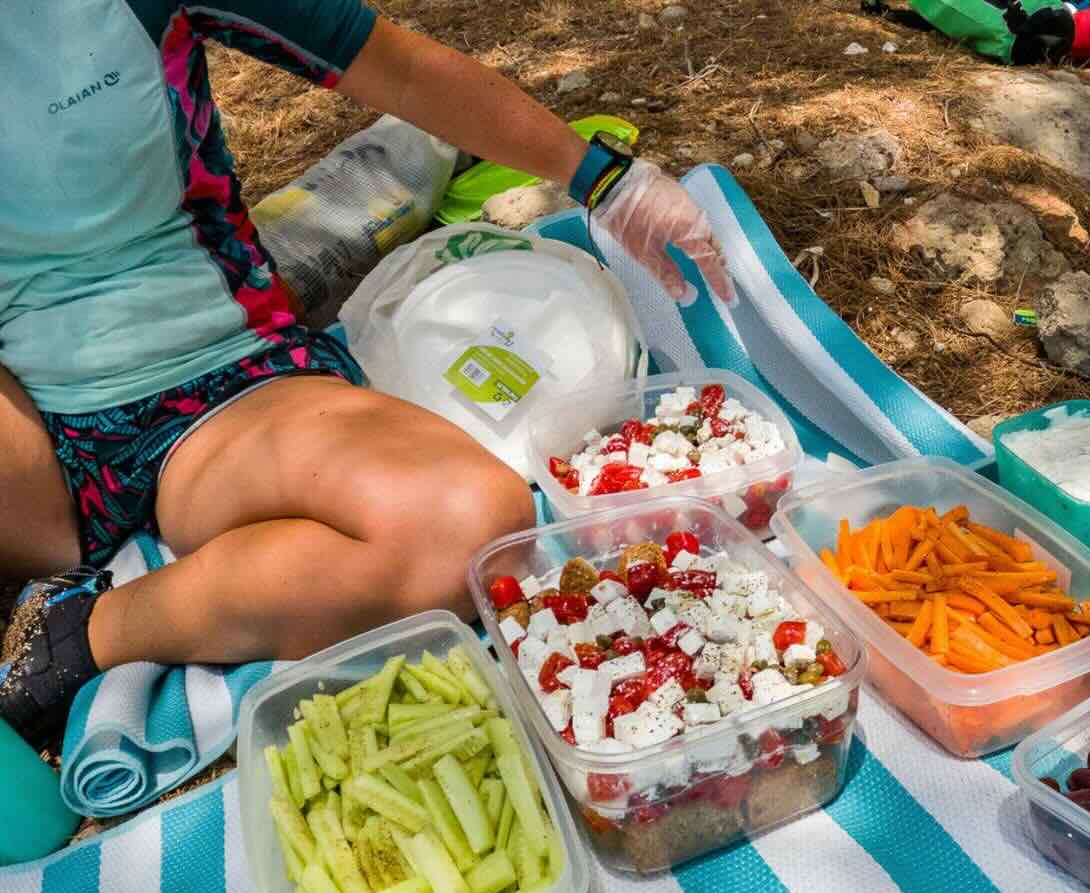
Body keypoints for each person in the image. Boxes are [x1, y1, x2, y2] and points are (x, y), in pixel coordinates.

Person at [0, 0, 734, 748]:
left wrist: (606, 181)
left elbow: (401, 70)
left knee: (470, 527)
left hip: (214, 384)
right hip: (23, 442)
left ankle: (85, 630)